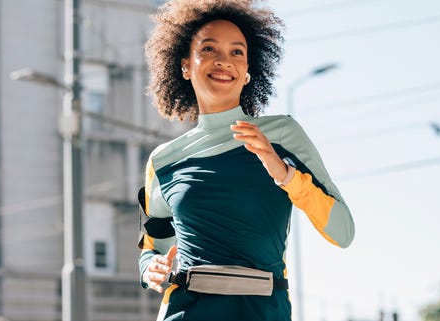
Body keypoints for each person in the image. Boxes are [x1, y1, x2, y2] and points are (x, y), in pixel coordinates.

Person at [137, 1, 355, 320]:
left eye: (237, 52)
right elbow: (153, 246)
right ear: (185, 66)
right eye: (209, 48)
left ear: (249, 71)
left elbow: (343, 231)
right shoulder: (163, 160)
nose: (224, 61)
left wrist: (285, 174)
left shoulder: (282, 134)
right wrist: (150, 269)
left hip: (262, 309)